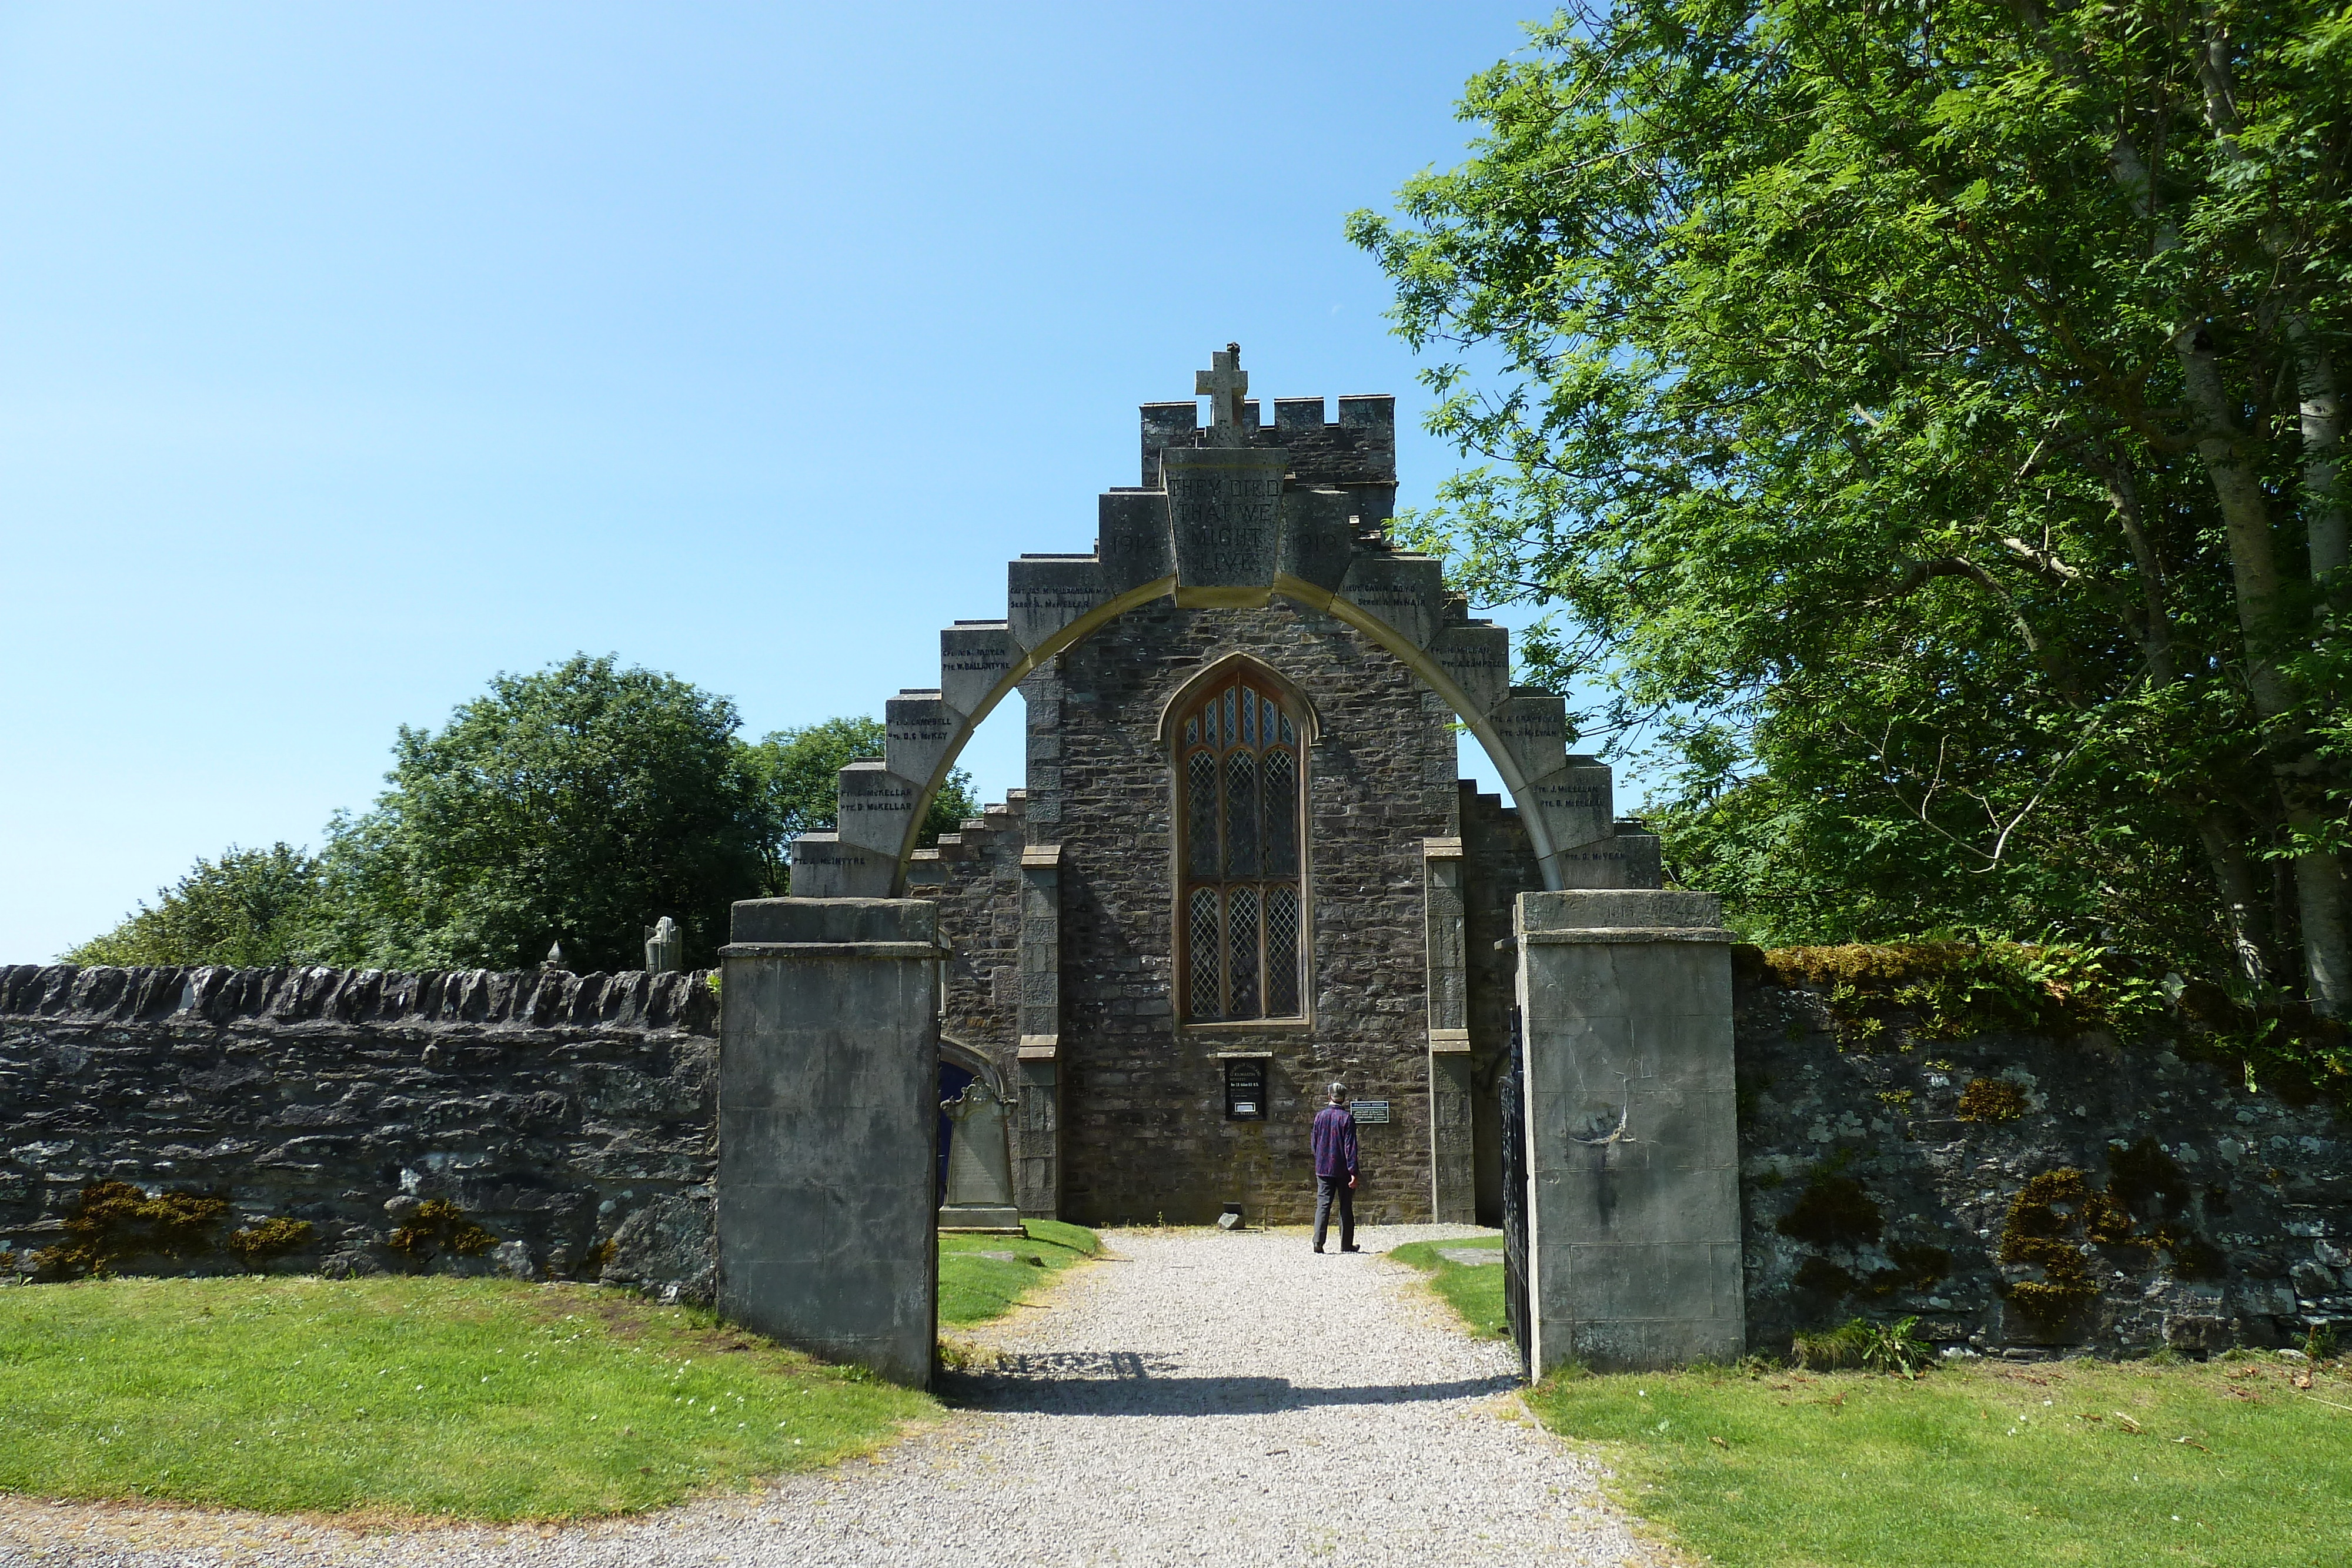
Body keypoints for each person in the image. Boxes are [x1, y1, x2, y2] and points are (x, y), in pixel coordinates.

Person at [1310, 1081, 1359, 1253]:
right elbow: (1350, 1147)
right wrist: (1353, 1171)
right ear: (1344, 1098)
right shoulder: (1347, 1119)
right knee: (1345, 1206)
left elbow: (1314, 1144)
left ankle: (1318, 1242)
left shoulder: (1320, 1117)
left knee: (1323, 1204)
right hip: (1343, 1169)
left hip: (1323, 1168)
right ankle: (1346, 1244)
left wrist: (1320, 1160)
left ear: (1329, 1096)